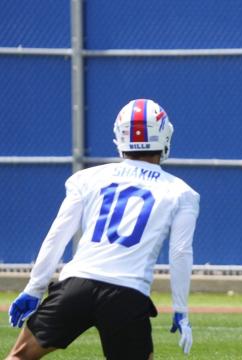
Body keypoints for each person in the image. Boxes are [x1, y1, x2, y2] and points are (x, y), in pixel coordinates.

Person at [6, 99, 200, 359]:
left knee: (19, 356)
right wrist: (180, 308)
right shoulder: (181, 192)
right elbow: (180, 253)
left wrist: (34, 287)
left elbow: (57, 237)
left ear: (120, 136)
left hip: (77, 285)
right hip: (127, 294)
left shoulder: (87, 178)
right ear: (164, 134)